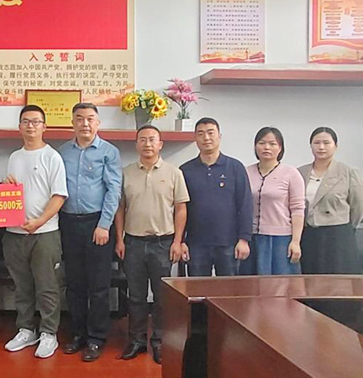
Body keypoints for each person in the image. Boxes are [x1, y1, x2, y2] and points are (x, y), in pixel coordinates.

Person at [114, 125, 189, 364]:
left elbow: (181, 209)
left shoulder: (174, 173)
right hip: (133, 243)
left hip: (163, 243)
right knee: (135, 296)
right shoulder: (125, 173)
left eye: (152, 140)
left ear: (160, 144)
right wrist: (119, 239)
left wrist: (177, 241)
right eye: (142, 140)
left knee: (161, 297)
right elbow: (120, 208)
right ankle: (136, 341)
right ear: (136, 144)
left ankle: (159, 341)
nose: (147, 144)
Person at [2, 105, 68, 359]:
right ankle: (26, 329)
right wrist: (5, 188)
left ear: (44, 126)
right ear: (19, 126)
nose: (31, 126)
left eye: (36, 121)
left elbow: (59, 195)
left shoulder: (52, 157)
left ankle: (49, 333)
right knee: (22, 286)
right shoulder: (14, 157)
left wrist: (40, 221)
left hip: (45, 233)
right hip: (14, 233)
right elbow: (13, 192)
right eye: (26, 121)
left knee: (47, 286)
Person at [59, 102, 122, 362]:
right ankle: (78, 334)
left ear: (98, 123)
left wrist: (104, 225)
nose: (85, 124)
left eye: (90, 119)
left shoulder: (109, 152)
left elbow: (114, 190)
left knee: (98, 285)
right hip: (68, 223)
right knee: (74, 284)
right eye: (79, 118)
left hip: (97, 224)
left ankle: (96, 338)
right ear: (72, 122)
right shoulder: (62, 151)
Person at [180, 117, 252, 276]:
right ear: (195, 138)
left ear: (219, 136)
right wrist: (181, 241)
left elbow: (245, 205)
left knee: (228, 289)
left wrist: (244, 239)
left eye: (210, 133)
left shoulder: (235, 167)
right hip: (196, 244)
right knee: (197, 288)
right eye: (201, 134)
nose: (206, 138)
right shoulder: (185, 170)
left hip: (228, 243)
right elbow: (180, 209)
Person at [298, 127, 363, 274]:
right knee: (311, 277)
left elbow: (358, 206)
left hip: (338, 234)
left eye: (326, 143)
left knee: (338, 279)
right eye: (317, 143)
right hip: (309, 233)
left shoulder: (348, 172)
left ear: (335, 146)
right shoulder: (300, 172)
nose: (321, 147)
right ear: (311, 145)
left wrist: (348, 225)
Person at [245, 127, 305, 275]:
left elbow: (298, 209)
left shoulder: (291, 174)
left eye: (272, 144)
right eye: (262, 143)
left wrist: (295, 241)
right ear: (255, 146)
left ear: (280, 148)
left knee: (281, 284)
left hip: (281, 240)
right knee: (252, 283)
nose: (266, 147)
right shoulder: (246, 172)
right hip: (252, 238)